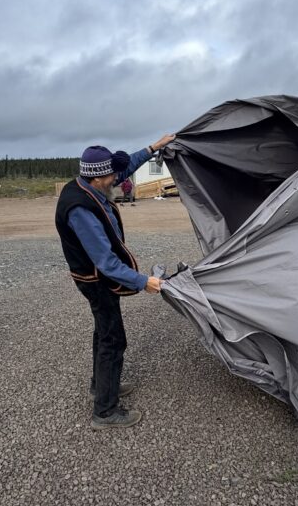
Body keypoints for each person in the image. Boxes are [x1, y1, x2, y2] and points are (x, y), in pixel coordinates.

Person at [55, 134, 175, 429]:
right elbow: (106, 262)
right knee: (112, 339)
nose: (118, 179)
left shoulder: (87, 183)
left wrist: (152, 148)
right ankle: (105, 412)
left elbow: (126, 166)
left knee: (103, 330)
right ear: (98, 179)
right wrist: (143, 281)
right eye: (112, 176)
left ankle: (101, 385)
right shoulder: (81, 209)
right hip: (96, 280)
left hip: (98, 277)